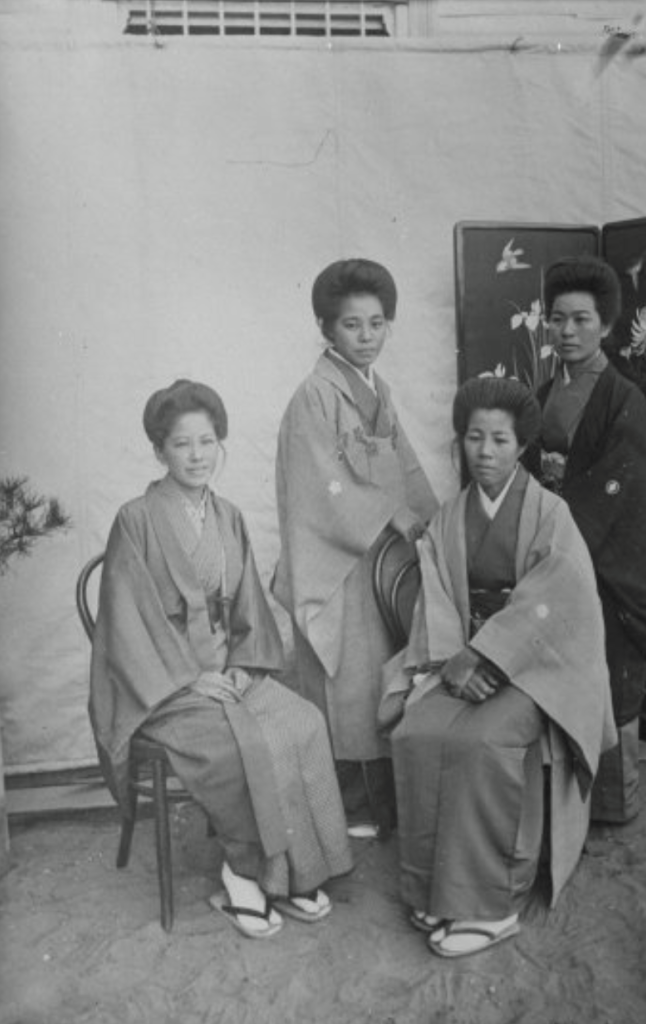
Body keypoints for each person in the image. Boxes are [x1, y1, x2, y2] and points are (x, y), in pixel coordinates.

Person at [89, 379, 352, 941]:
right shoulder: (135, 520)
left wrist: (243, 664)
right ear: (159, 450)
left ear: (220, 444)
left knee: (302, 722)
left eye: (207, 442)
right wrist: (192, 679)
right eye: (182, 444)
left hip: (227, 673)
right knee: (247, 744)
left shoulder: (228, 516)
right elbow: (126, 626)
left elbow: (248, 609)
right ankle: (243, 875)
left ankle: (296, 871)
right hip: (162, 688)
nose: (196, 455)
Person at [379, 376, 616, 959]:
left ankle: (493, 905)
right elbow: (434, 598)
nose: (485, 452)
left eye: (501, 440)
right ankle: (436, 889)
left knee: (484, 741)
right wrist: (454, 662)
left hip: (537, 669)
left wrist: (486, 654)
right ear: (461, 441)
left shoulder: (549, 514)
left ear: (521, 446)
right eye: (474, 438)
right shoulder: (448, 519)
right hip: (458, 657)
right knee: (419, 729)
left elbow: (556, 602)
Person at [272, 258, 438, 838]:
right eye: (351, 325)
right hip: (337, 562)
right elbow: (321, 485)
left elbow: (407, 468)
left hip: (379, 559)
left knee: (379, 675)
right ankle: (347, 804)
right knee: (345, 681)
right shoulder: (313, 397)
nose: (366, 337)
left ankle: (378, 799)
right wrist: (391, 514)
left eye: (376, 324)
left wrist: (432, 523)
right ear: (326, 328)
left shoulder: (376, 390)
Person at [530, 255, 646, 823]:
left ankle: (616, 800)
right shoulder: (543, 393)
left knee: (612, 675)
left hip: (609, 561)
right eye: (558, 319)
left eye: (582, 320)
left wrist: (563, 530)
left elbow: (626, 484)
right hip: (561, 549)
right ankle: (569, 798)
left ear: (607, 325)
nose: (567, 331)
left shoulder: (623, 399)